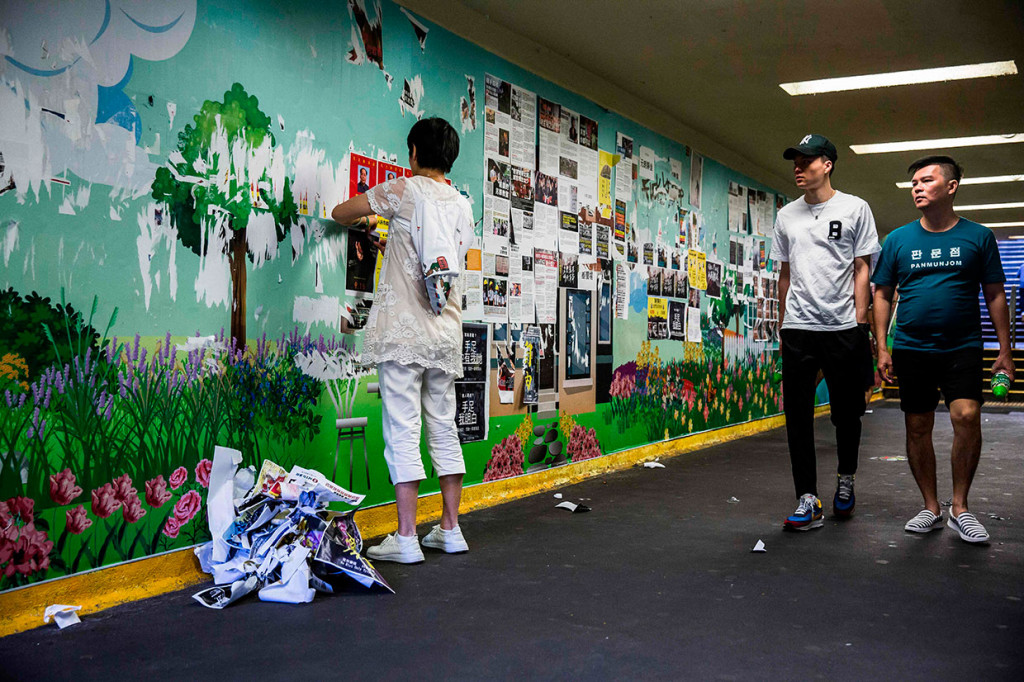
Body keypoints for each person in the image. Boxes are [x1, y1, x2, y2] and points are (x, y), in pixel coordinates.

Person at [331, 117, 473, 563]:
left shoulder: (404, 190)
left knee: (402, 431)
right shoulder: (463, 205)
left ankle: (407, 538)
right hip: (445, 333)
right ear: (449, 157)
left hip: (403, 335)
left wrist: (376, 213)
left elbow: (341, 212)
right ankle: (450, 529)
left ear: (414, 151)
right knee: (444, 428)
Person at [872, 155, 1014, 543]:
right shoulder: (898, 239)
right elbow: (882, 293)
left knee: (966, 416)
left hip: (962, 345)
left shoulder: (978, 236)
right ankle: (930, 507)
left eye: (926, 180)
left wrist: (1006, 349)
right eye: (914, 182)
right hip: (912, 348)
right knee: (918, 426)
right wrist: (882, 346)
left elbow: (996, 294)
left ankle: (960, 507)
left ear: (951, 187)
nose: (917, 187)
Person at [769, 134, 879, 531]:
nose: (799, 168)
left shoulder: (855, 208)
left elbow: (862, 267)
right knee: (796, 416)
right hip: (798, 328)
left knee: (846, 415)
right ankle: (807, 498)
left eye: (807, 161)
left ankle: (845, 478)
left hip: (843, 327)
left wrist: (860, 319)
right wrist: (783, 322)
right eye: (795, 161)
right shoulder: (786, 216)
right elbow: (785, 273)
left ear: (828, 164)